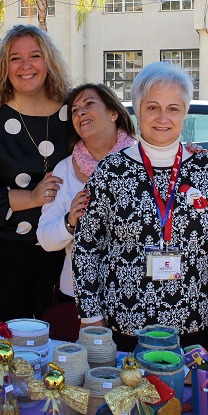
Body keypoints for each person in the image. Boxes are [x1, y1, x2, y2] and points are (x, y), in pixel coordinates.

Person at [72, 62, 208, 351]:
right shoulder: (111, 171)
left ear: (185, 113)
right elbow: (87, 246)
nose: (163, 118)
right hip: (129, 321)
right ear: (138, 109)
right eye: (153, 107)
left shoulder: (207, 169)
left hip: (195, 320)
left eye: (173, 108)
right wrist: (90, 315)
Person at [0, 25, 73, 331]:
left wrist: (183, 151)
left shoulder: (73, 113)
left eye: (35, 56)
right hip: (5, 255)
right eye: (15, 58)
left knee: (62, 346)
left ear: (48, 62)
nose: (26, 66)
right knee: (8, 349)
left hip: (64, 252)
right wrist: (32, 197)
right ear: (3, 67)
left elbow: (113, 144)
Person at [36, 83, 136, 340]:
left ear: (113, 112)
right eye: (75, 110)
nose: (80, 112)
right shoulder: (64, 169)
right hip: (78, 293)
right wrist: (70, 223)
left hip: (134, 291)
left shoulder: (143, 161)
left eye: (89, 104)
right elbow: (45, 239)